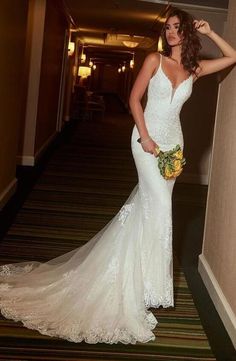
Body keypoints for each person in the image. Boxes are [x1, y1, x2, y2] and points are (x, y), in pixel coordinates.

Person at [0, 7, 235, 345]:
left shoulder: (194, 69)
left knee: (149, 209)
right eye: (167, 28)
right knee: (160, 211)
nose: (170, 33)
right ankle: (143, 288)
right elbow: (134, 99)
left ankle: (139, 283)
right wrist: (145, 135)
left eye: (176, 28)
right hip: (145, 142)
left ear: (187, 32)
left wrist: (211, 32)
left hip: (174, 147)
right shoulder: (155, 60)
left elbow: (232, 57)